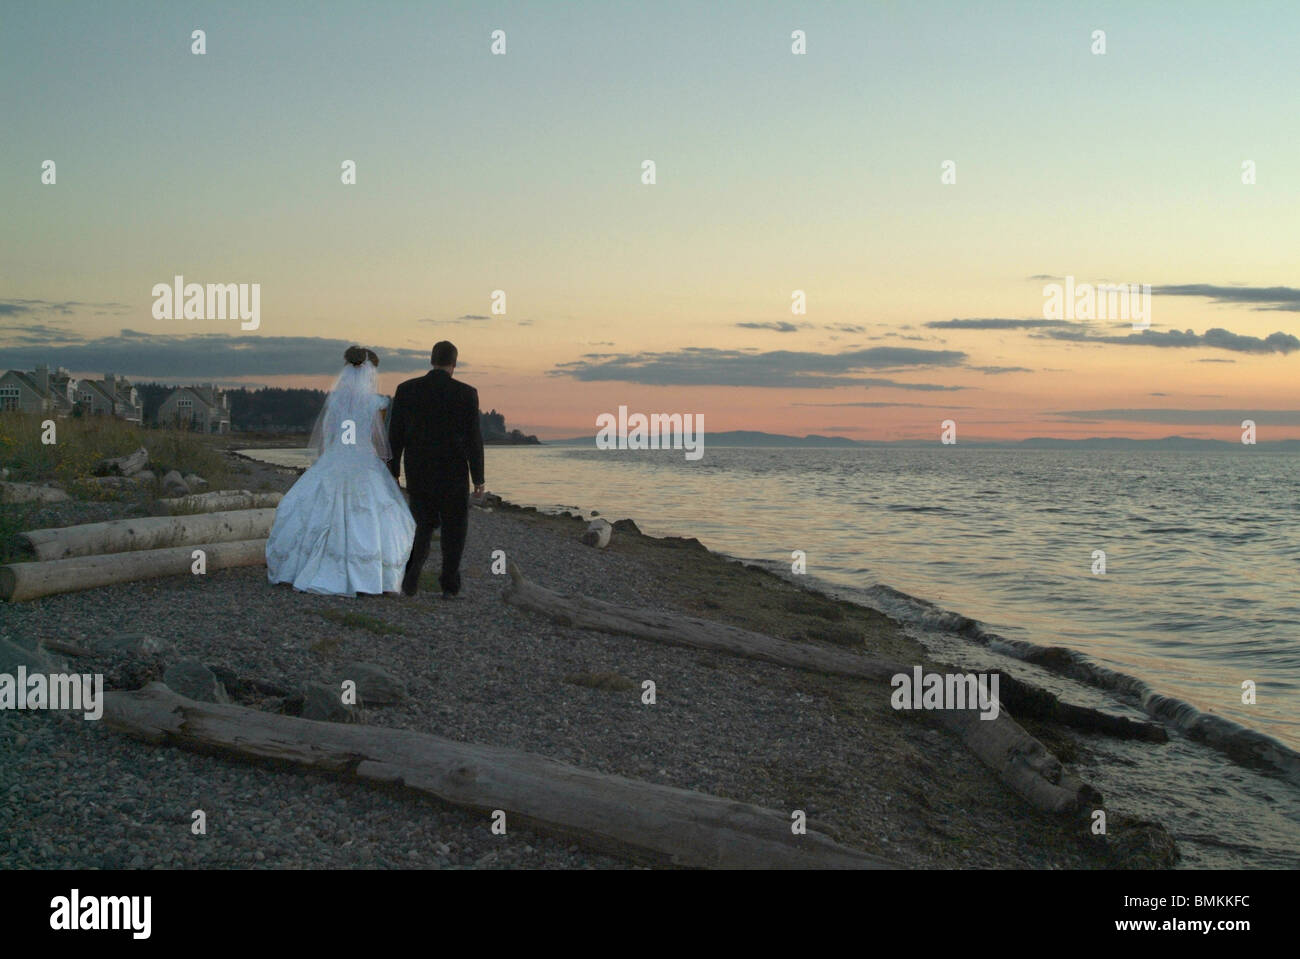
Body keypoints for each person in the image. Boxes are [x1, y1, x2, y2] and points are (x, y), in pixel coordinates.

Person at [265, 347, 416, 596]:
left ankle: (307, 565)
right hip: (363, 460)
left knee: (318, 507)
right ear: (370, 371)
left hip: (336, 456)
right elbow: (379, 443)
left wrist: (328, 460)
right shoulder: (376, 403)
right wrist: (385, 467)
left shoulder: (334, 400)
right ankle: (369, 576)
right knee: (371, 513)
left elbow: (327, 437)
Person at [387, 340, 485, 598]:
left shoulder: (406, 390)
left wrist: (393, 471)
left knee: (420, 526)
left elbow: (395, 435)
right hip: (453, 471)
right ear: (454, 363)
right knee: (455, 529)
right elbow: (474, 438)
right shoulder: (466, 393)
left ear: (431, 360)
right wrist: (479, 477)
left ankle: (409, 581)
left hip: (418, 469)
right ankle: (449, 586)